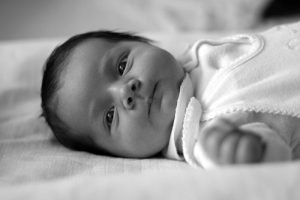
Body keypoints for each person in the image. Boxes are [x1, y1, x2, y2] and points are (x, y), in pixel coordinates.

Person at [41, 21, 300, 169]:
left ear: (144, 44)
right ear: (120, 155)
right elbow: (274, 158)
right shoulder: (202, 137)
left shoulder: (196, 58)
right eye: (110, 116)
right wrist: (247, 150)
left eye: (122, 66)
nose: (125, 91)